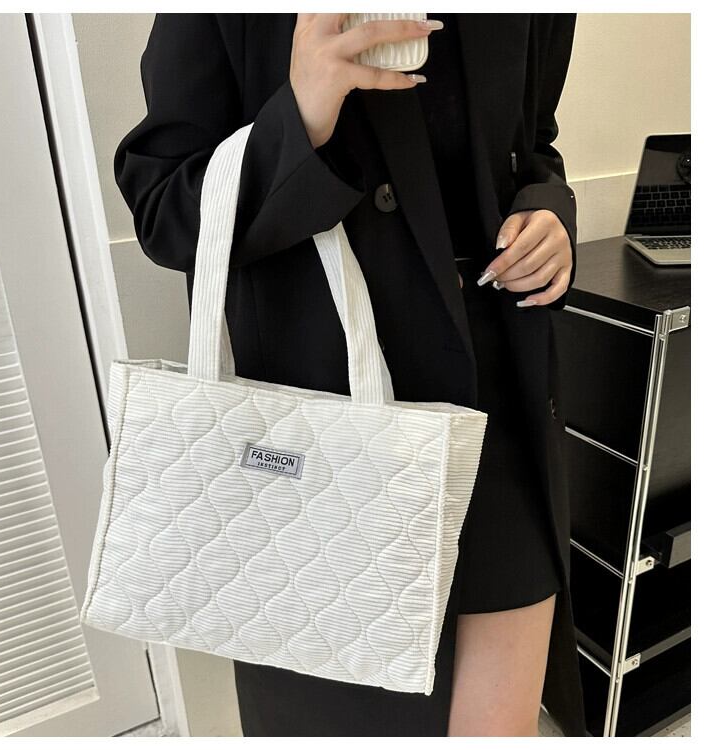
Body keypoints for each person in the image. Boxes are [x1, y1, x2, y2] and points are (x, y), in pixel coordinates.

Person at [114, 13, 586, 737]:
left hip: (501, 408)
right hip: (322, 435)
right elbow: (165, 208)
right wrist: (299, 117)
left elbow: (534, 143)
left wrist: (549, 210)